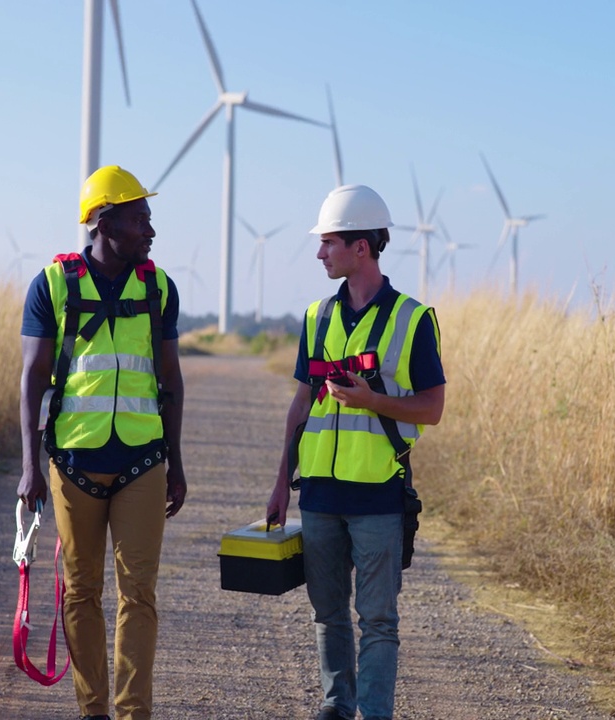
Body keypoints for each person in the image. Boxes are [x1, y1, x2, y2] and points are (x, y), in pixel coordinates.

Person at [267, 184, 446, 720]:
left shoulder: (412, 319)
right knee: (327, 613)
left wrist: (374, 401)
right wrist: (281, 482)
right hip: (318, 493)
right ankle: (335, 706)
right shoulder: (316, 318)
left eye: (328, 243)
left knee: (378, 619)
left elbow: (432, 408)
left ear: (361, 248)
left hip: (377, 496)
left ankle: (372, 714)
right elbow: (301, 403)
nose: (320, 254)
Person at [18, 164, 188, 720]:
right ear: (103, 221)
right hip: (73, 464)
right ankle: (93, 710)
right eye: (140, 218)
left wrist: (177, 463)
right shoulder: (52, 286)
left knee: (139, 594)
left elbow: (171, 381)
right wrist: (29, 468)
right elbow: (32, 379)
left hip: (143, 462)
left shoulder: (160, 288)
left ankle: (134, 712)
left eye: (149, 218)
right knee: (80, 592)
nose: (151, 230)